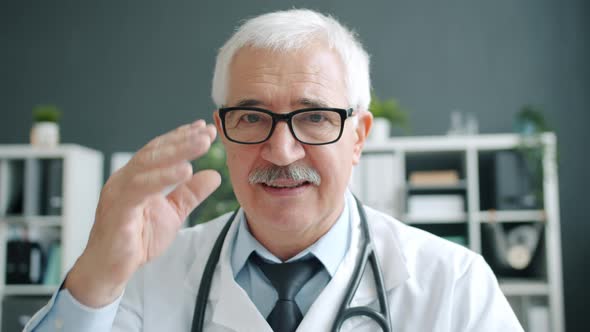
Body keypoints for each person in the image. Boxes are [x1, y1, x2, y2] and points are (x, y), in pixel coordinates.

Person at [25, 9, 523, 332]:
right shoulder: (144, 275)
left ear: (358, 137)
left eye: (314, 117)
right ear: (221, 129)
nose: (281, 152)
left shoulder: (452, 285)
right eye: (251, 117)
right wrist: (96, 277)